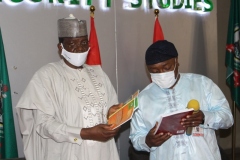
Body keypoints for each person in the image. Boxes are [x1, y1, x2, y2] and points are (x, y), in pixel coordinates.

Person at [16, 14, 122, 160]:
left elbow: (111, 107)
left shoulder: (98, 73)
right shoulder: (46, 76)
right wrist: (84, 133)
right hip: (67, 153)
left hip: (103, 152)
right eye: (72, 44)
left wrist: (112, 113)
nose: (79, 49)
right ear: (60, 47)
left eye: (84, 43)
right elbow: (43, 125)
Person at [129, 40, 234, 160]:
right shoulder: (143, 99)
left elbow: (228, 119)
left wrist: (204, 117)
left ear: (176, 61)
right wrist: (147, 141)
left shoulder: (202, 84)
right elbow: (136, 137)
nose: (161, 74)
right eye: (155, 71)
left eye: (166, 67)